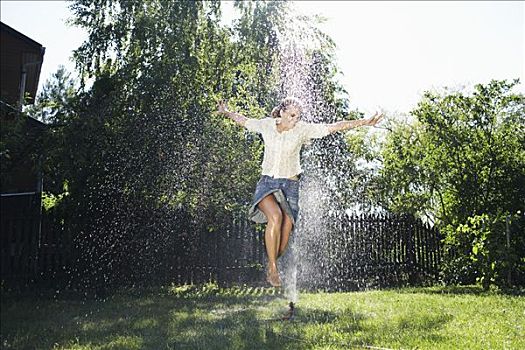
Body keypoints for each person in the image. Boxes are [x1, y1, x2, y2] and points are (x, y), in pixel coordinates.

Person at [217, 97, 383, 287]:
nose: (295, 120)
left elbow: (333, 126)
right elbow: (244, 120)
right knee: (276, 217)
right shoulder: (266, 125)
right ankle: (272, 268)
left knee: (285, 234)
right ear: (281, 112)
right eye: (292, 115)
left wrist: (364, 122)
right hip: (267, 183)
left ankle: (273, 261)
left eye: (298, 116)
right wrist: (226, 112)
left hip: (291, 186)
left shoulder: (303, 129)